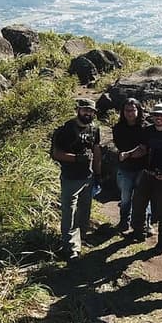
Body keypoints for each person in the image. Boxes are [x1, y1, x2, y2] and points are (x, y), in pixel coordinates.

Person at [50, 97, 102, 260]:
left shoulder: (94, 129)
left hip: (88, 177)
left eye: (90, 111)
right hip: (70, 178)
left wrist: (98, 174)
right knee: (69, 213)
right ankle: (71, 247)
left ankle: (80, 239)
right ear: (78, 110)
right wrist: (76, 158)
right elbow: (56, 154)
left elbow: (96, 152)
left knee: (84, 210)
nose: (87, 113)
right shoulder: (66, 130)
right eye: (85, 110)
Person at [131, 103, 162, 247]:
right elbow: (143, 148)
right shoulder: (148, 131)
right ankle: (139, 233)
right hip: (147, 174)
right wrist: (129, 155)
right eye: (156, 115)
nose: (159, 117)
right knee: (139, 204)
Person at [112, 97, 148, 234]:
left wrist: (127, 154)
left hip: (142, 169)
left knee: (143, 198)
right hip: (125, 169)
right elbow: (120, 148)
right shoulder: (118, 128)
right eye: (127, 110)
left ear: (138, 110)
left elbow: (143, 149)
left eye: (133, 110)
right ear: (123, 112)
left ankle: (145, 225)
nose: (130, 113)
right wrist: (132, 152)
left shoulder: (145, 128)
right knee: (125, 197)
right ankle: (123, 222)